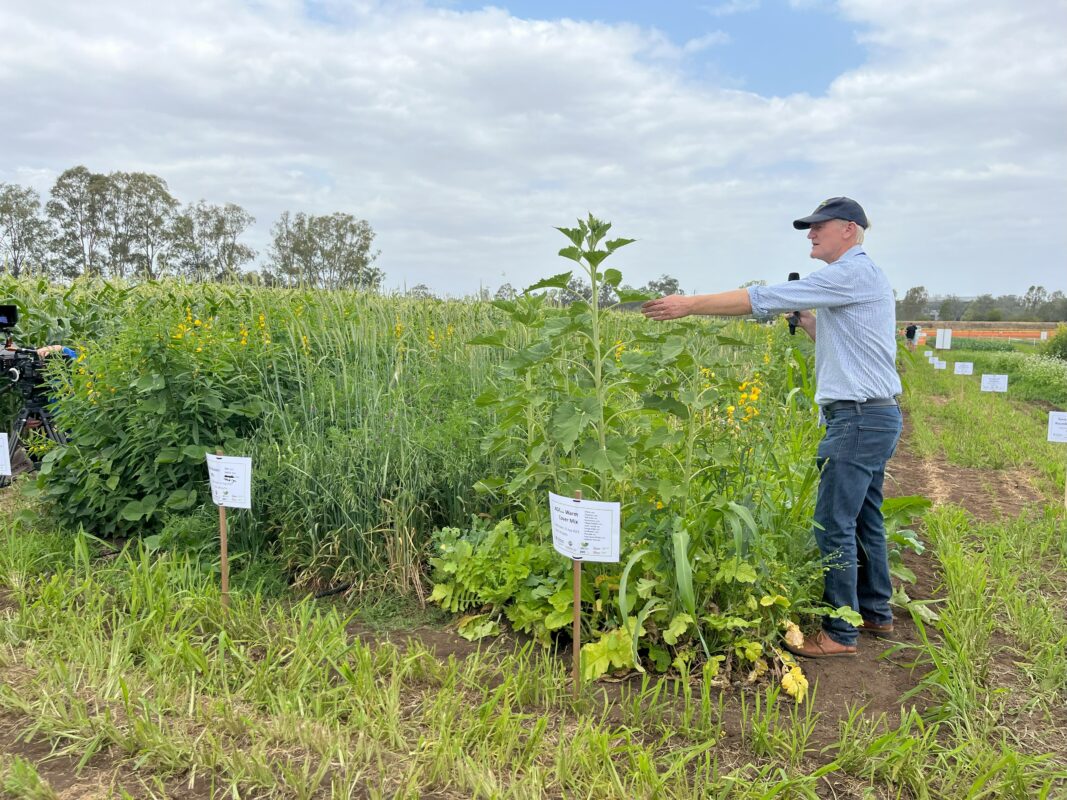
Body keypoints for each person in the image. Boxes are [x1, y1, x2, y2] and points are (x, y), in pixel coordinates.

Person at [642, 197, 902, 658]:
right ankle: (875, 611)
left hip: (859, 420)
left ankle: (841, 633)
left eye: (819, 226)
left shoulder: (850, 272)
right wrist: (809, 323)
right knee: (865, 518)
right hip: (872, 416)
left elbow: (761, 297)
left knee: (834, 523)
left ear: (848, 229)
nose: (811, 234)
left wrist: (690, 304)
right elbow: (849, 347)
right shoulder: (860, 278)